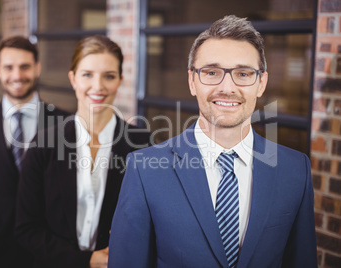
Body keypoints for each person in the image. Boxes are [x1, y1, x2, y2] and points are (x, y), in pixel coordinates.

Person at [108, 15, 317, 268]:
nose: (227, 87)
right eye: (211, 72)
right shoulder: (145, 170)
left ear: (261, 83)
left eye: (243, 73)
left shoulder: (296, 170)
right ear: (192, 81)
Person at [14, 35, 151, 268]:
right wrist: (86, 260)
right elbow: (26, 228)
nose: (98, 86)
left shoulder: (142, 144)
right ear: (73, 79)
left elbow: (150, 222)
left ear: (120, 81)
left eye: (109, 76)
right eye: (87, 74)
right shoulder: (45, 143)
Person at [0, 36, 68, 268]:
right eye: (9, 67)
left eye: (25, 67)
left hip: (51, 252)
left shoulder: (65, 123)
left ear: (37, 68)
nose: (17, 75)